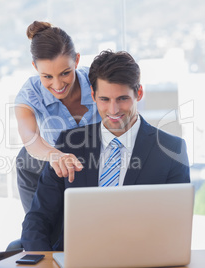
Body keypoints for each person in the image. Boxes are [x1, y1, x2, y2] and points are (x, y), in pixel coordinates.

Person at [21, 50, 191, 251]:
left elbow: (176, 226)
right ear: (93, 95)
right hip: (77, 261)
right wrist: (43, 263)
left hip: (142, 260)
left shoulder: (171, 150)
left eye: (122, 99)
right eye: (104, 99)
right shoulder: (69, 143)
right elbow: (38, 219)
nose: (113, 110)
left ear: (139, 93)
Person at [14, 21, 101, 213]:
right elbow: (30, 138)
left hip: (101, 178)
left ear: (76, 60)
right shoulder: (30, 94)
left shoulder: (98, 81)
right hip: (59, 179)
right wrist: (54, 155)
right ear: (35, 68)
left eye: (65, 73)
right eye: (47, 77)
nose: (58, 84)